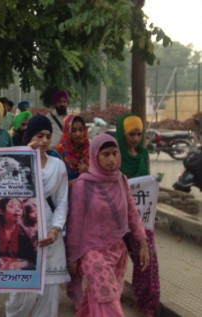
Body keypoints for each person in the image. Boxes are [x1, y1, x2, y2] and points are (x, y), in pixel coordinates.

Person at [67, 133, 150, 316]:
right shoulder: (83, 185)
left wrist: (143, 243)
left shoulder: (121, 180)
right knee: (108, 301)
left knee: (98, 299)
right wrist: (72, 257)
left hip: (118, 251)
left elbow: (132, 214)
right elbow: (75, 224)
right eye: (106, 155)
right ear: (95, 156)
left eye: (114, 153)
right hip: (92, 253)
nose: (112, 159)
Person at [5, 115, 70, 317]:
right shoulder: (16, 163)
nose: (43, 141)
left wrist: (55, 230)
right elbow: (7, 194)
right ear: (29, 136)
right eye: (39, 135)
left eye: (47, 136)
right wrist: (26, 155)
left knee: (49, 300)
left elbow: (62, 201)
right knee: (20, 298)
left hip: (50, 237)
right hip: (22, 235)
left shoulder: (57, 166)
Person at [115, 113, 160, 317]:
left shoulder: (143, 154)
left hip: (140, 218)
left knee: (147, 261)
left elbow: (146, 180)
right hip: (115, 220)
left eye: (139, 134)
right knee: (116, 263)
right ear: (122, 134)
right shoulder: (114, 154)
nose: (135, 138)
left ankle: (148, 305)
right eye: (131, 134)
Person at [0, 198, 37, 272]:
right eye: (12, 206)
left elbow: (31, 259)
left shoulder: (23, 231)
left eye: (20, 207)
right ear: (1, 211)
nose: (17, 210)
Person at [51, 115, 90, 184]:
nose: (78, 134)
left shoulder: (89, 150)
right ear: (67, 132)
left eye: (81, 130)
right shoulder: (58, 153)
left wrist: (88, 171)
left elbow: (99, 175)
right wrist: (77, 182)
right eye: (73, 130)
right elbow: (54, 182)